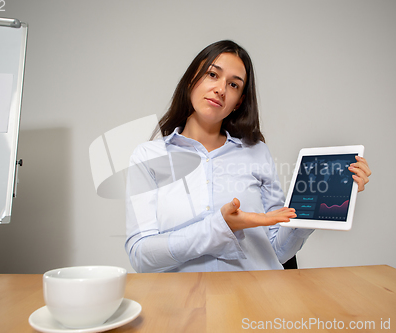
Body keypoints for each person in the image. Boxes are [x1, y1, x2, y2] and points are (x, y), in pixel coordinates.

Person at [125, 40, 371, 273]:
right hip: (186, 305)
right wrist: (219, 227)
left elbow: (278, 251)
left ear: (238, 102)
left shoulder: (257, 152)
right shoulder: (149, 157)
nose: (220, 89)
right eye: (213, 74)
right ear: (192, 79)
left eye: (234, 84)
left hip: (257, 299)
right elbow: (141, 256)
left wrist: (317, 204)